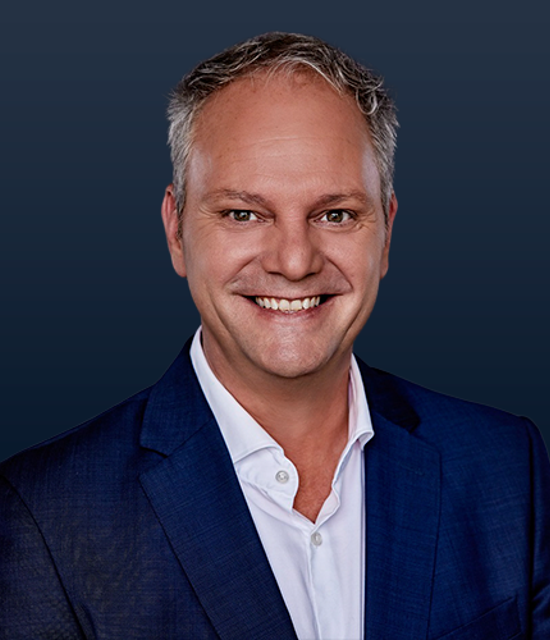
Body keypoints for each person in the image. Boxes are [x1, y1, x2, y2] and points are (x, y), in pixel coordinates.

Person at [1, 31, 548, 640]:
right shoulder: (44, 516)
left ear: (386, 232)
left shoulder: (507, 466)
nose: (294, 262)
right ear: (176, 231)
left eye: (335, 214)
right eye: (243, 214)